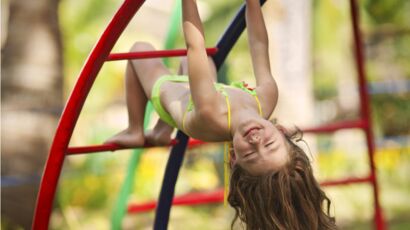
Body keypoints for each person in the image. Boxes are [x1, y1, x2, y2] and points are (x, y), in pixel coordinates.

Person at [106, 0, 337, 229]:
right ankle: (161, 131)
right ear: (281, 130)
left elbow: (194, 44)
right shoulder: (266, 98)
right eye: (269, 144)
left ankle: (134, 129)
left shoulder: (211, 111)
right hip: (204, 91)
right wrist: (253, 4)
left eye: (251, 154)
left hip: (170, 94)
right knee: (201, 62)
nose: (256, 142)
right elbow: (258, 44)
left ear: (235, 157)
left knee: (139, 50)